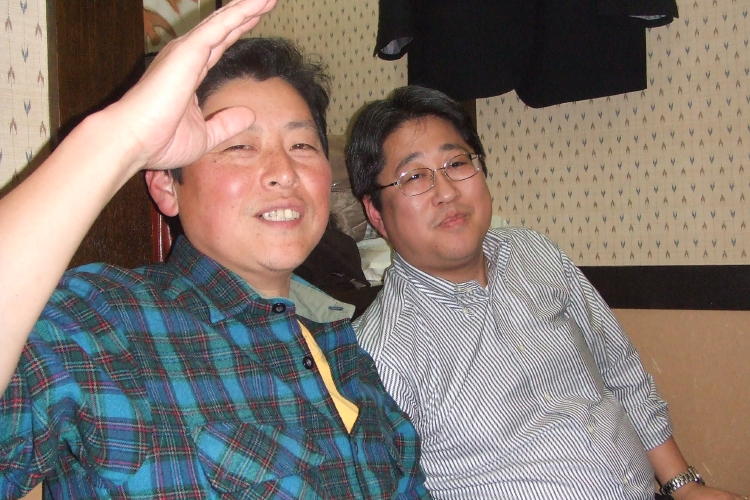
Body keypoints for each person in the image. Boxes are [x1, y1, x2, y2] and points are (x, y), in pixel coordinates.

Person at [0, 1, 429, 497]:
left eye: (302, 146)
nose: (283, 172)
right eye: (239, 146)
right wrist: (121, 138)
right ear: (167, 186)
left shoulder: (349, 359)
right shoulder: (103, 321)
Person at [345, 85, 744, 500]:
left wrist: (684, 486)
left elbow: (620, 369)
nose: (446, 191)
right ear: (376, 213)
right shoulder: (378, 354)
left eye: (456, 163)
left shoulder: (533, 252)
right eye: (414, 177)